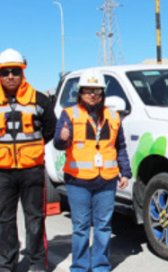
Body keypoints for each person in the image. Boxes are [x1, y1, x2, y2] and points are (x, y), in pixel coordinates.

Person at [53, 70, 131, 272]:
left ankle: (100, 265)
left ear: (102, 92)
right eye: (88, 90)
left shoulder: (113, 116)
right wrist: (62, 137)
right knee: (80, 227)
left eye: (97, 90)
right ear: (80, 92)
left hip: (106, 179)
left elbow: (120, 146)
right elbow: (59, 144)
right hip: (78, 180)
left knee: (103, 226)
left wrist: (126, 172)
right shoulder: (69, 114)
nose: (93, 94)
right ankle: (79, 266)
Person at [0, 48, 56, 272]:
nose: (10, 76)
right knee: (4, 221)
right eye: (5, 72)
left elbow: (50, 129)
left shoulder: (39, 100)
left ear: (23, 72)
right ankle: (6, 263)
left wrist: (30, 151)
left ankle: (36, 263)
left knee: (35, 219)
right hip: (2, 172)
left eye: (15, 71)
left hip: (31, 170)